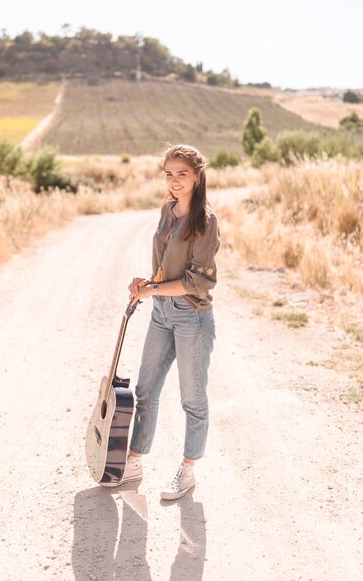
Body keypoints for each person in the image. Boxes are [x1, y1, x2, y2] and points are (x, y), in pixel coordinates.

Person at [103, 144, 220, 500]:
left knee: (192, 399)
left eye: (181, 174)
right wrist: (146, 283)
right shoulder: (167, 210)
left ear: (197, 177)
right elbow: (163, 264)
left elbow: (198, 281)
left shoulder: (205, 221)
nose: (174, 181)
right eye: (168, 173)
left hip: (192, 317)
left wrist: (154, 289)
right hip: (161, 314)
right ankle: (135, 461)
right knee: (145, 390)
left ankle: (187, 470)